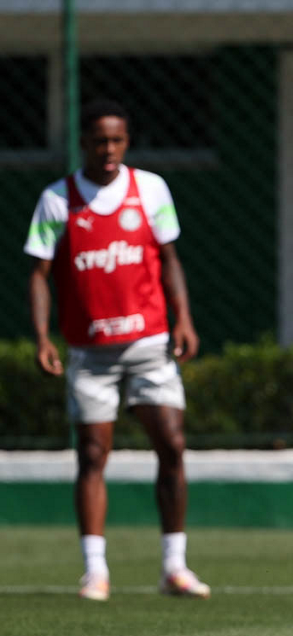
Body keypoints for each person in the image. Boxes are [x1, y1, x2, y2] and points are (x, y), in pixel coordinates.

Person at [25, 99, 209, 601]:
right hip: (90, 353)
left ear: (126, 142)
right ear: (83, 142)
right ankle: (95, 570)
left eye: (117, 140)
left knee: (171, 444)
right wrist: (42, 335)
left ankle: (174, 566)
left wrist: (183, 318)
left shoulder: (150, 189)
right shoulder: (57, 200)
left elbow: (169, 258)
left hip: (149, 342)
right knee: (92, 454)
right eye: (99, 140)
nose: (108, 149)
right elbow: (39, 274)